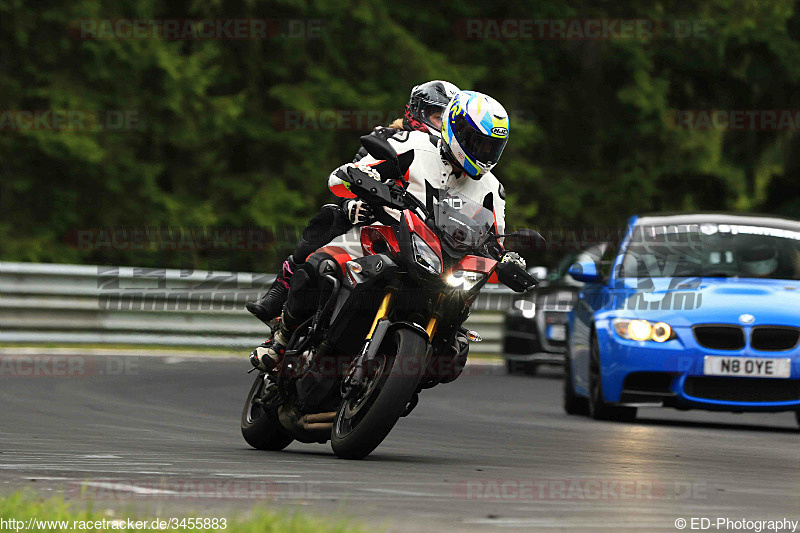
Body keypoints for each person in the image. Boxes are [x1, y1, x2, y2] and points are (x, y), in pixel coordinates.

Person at [252, 89, 525, 372]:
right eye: (477, 143)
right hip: (385, 235)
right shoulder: (412, 144)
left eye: (491, 148)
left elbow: (496, 238)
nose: (483, 153)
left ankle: (421, 362)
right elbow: (341, 176)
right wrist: (362, 181)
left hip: (443, 262)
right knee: (321, 266)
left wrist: (507, 259)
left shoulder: (493, 189)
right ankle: (281, 340)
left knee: (454, 347)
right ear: (455, 128)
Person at [245, 80, 460, 326]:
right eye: (436, 117)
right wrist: (353, 205)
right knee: (330, 216)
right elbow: (349, 177)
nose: (442, 126)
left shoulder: (457, 162)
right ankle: (283, 289)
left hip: (429, 242)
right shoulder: (389, 139)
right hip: (380, 225)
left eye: (447, 120)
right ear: (416, 112)